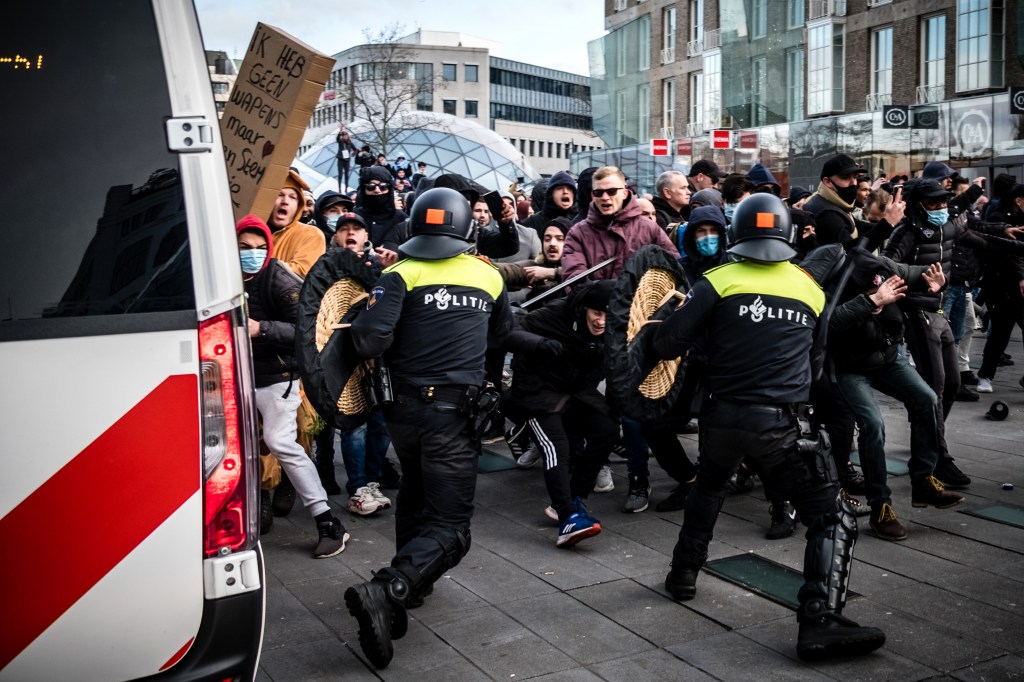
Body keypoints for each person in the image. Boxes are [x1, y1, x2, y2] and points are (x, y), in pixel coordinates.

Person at [647, 193, 886, 662]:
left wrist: (656, 319)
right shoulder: (809, 290)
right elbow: (815, 362)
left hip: (720, 416)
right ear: (787, 235)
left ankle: (682, 575)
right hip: (779, 423)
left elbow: (668, 341)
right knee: (830, 515)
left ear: (736, 233)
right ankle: (818, 620)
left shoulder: (716, 282)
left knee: (709, 488)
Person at [343, 187, 513, 669]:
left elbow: (372, 340)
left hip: (402, 413)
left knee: (415, 492)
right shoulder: (489, 276)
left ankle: (411, 588)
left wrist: (359, 317)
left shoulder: (399, 273)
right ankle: (390, 587)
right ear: (466, 228)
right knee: (453, 527)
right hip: (454, 417)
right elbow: (501, 334)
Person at [236, 214, 349, 558]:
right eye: (244, 247)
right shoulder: (220, 279)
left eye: (259, 248)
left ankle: (328, 521)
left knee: (280, 442)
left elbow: (308, 329)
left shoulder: (278, 277)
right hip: (236, 379)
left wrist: (262, 329)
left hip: (277, 377)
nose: (252, 254)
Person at [504, 280, 619, 546]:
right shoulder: (558, 311)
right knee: (556, 446)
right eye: (597, 314)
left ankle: (572, 499)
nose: (602, 322)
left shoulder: (616, 323)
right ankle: (567, 518)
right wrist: (541, 343)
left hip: (575, 388)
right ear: (585, 309)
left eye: (608, 315)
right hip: (536, 389)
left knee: (608, 430)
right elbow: (510, 332)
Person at [561, 166, 679, 282]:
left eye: (611, 192)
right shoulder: (577, 233)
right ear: (593, 196)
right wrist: (603, 290)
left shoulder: (649, 228)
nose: (605, 197)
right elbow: (574, 280)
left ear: (625, 193)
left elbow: (674, 267)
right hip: (595, 301)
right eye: (599, 193)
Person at [266, 169, 326, 278]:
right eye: (279, 194)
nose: (285, 201)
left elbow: (299, 274)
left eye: (292, 197)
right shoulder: (251, 229)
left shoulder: (311, 235)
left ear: (298, 205)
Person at [354, 166, 407, 252]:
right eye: (371, 186)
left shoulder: (401, 218)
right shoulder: (355, 217)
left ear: (389, 189)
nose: (377, 190)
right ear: (364, 189)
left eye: (383, 186)